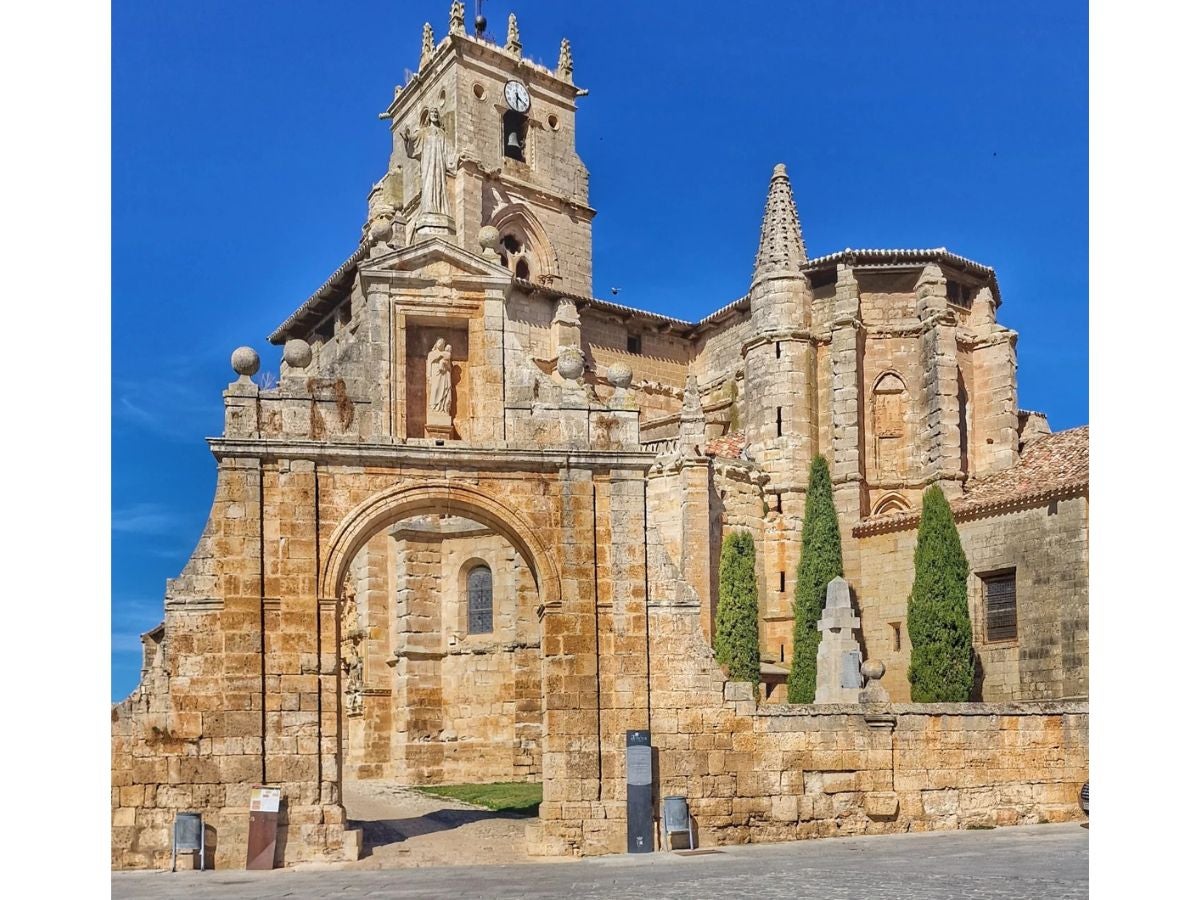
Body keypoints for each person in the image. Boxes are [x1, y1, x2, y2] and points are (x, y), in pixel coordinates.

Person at [427, 339, 452, 414]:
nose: (441, 344)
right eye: (439, 342)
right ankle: (434, 407)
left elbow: (449, 368)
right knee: (435, 389)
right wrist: (429, 376)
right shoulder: (431, 354)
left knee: (444, 390)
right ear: (436, 343)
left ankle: (442, 408)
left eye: (442, 343)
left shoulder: (446, 354)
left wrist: (445, 364)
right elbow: (429, 365)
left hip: (444, 375)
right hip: (435, 374)